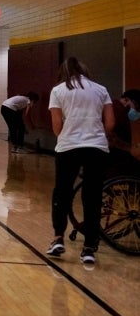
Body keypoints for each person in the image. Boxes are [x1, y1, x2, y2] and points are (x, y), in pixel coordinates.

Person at [45, 57, 114, 265]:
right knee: (92, 196)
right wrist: (98, 136)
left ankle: (58, 238)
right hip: (97, 148)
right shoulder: (101, 89)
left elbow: (57, 125)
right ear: (84, 70)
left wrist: (68, 136)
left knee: (62, 192)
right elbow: (110, 123)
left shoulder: (58, 91)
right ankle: (89, 247)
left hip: (68, 147)